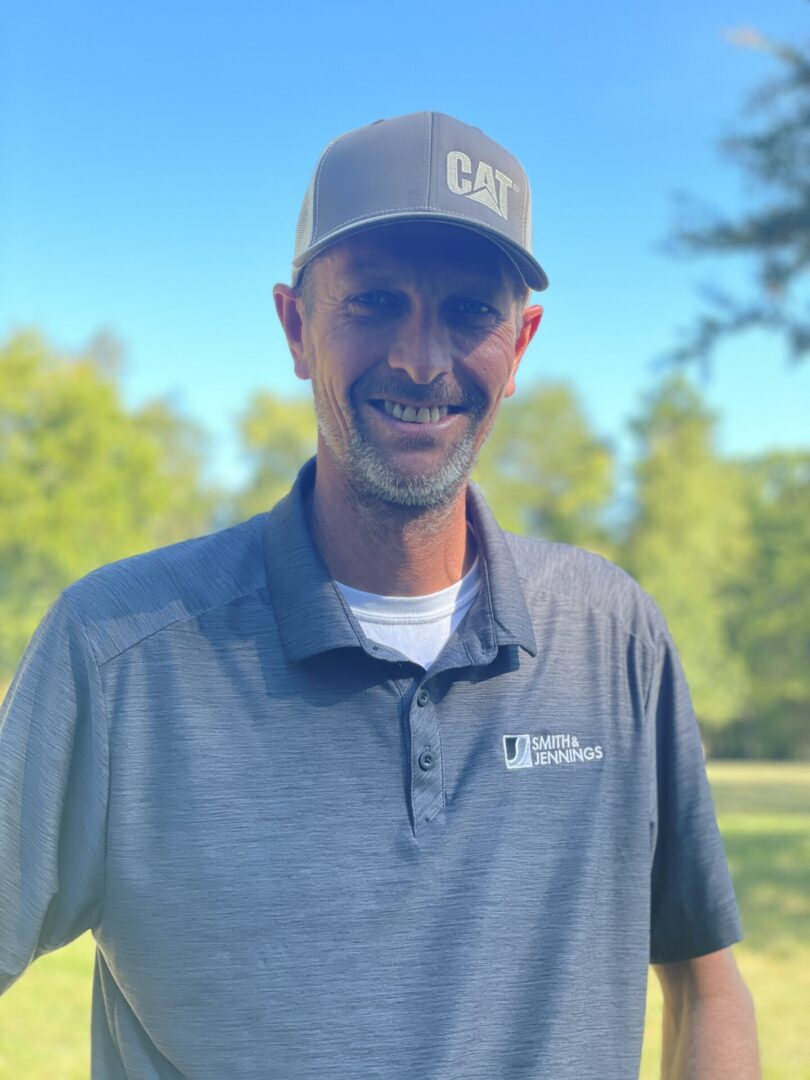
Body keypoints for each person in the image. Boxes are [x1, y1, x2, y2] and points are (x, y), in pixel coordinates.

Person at [0, 112, 759, 1079]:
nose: (421, 360)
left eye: (469, 312)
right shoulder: (119, 655)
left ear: (520, 345)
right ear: (295, 325)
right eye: (374, 302)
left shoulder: (612, 637)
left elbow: (707, 983)